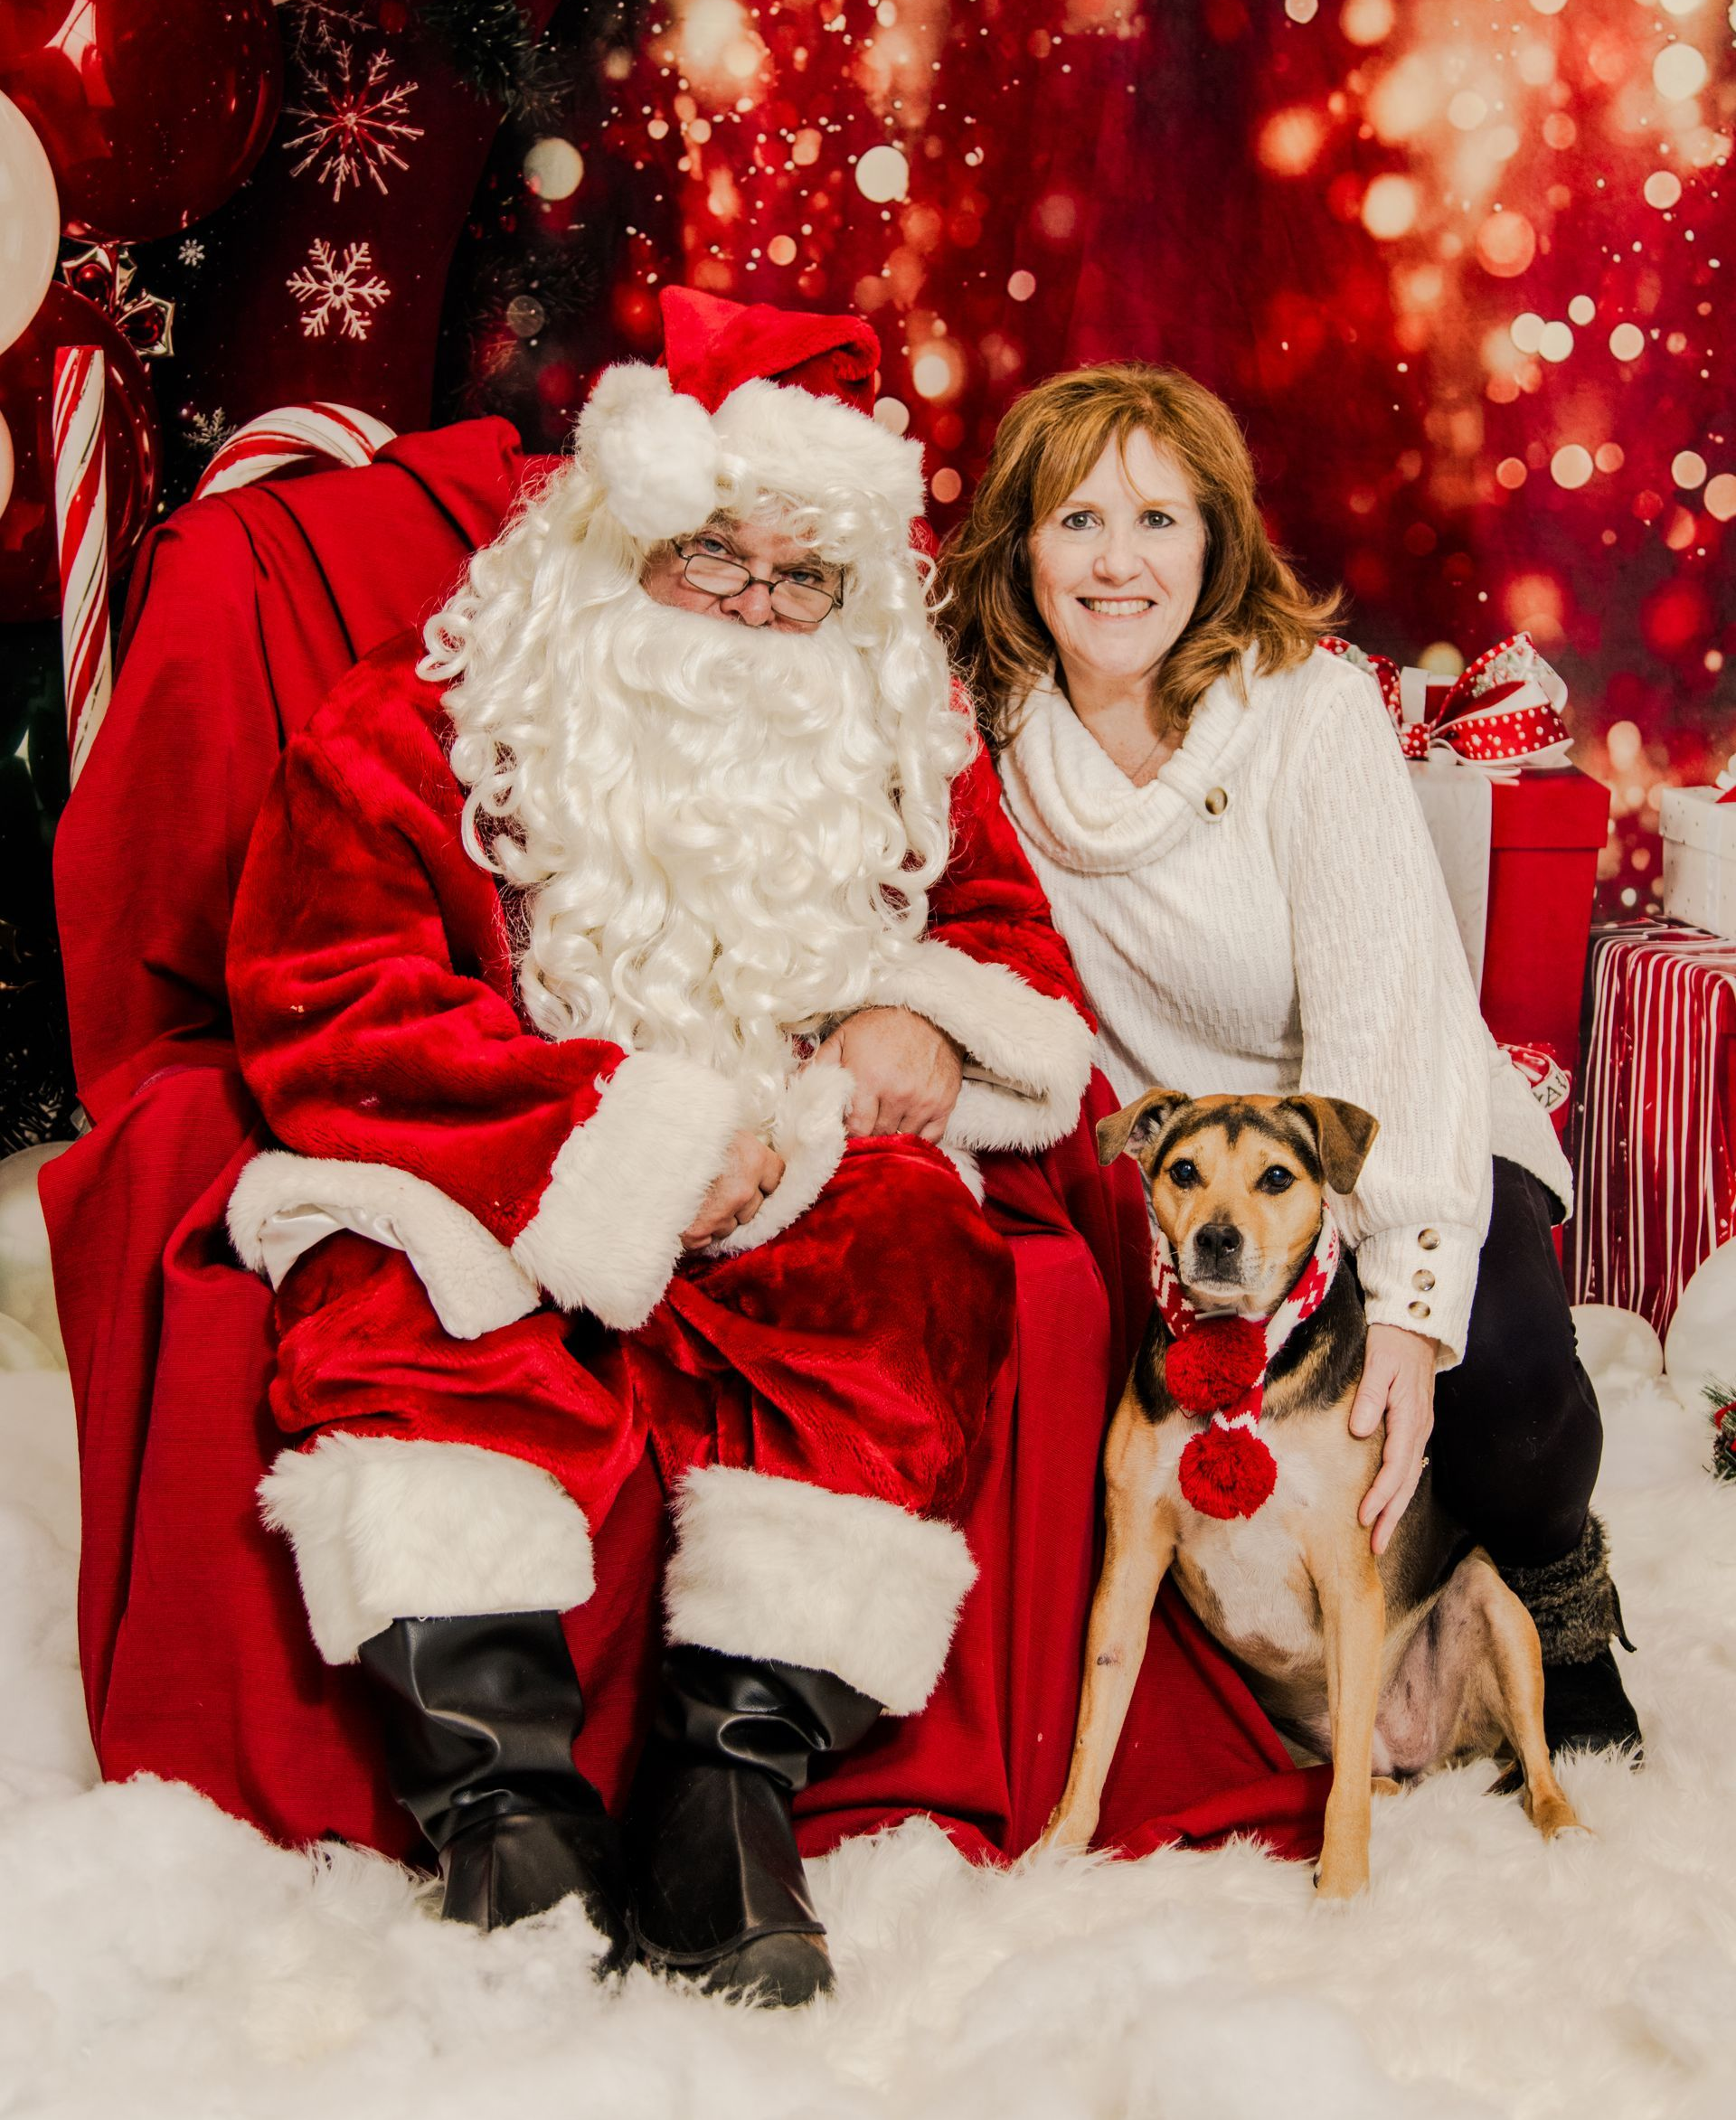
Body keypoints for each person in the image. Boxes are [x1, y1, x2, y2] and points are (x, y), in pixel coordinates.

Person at [219, 290, 1098, 2006]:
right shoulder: (442, 716)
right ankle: (508, 1818)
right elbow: (329, 991)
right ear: (621, 537)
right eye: (713, 562)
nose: (758, 612)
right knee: (397, 1292)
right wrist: (612, 1140)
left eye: (802, 579)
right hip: (527, 1155)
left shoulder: (888, 736)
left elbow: (1002, 933)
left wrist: (921, 1017)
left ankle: (727, 1797)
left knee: (921, 1254)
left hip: (805, 1152)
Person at [937, 361, 1642, 1760]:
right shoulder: (986, 732)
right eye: (1077, 521)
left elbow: (1395, 1015)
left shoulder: (1306, 711)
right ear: (1021, 543)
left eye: (1159, 521)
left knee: (1494, 1380)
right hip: (1196, 1174)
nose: (1118, 563)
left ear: (1218, 542)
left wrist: (1412, 1298)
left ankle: (1559, 1584)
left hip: (1400, 1121)